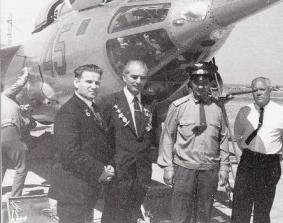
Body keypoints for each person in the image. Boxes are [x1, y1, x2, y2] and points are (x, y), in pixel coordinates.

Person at [157, 62, 230, 223]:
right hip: (184, 170)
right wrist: (168, 167)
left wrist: (224, 167)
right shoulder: (178, 106)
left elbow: (223, 139)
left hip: (209, 171)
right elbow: (168, 137)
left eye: (205, 83)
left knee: (203, 217)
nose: (201, 87)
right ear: (191, 83)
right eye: (197, 82)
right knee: (180, 216)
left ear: (210, 83)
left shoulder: (218, 108)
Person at [48, 64, 115, 223]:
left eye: (97, 83)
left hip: (85, 188)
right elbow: (70, 153)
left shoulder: (93, 108)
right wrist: (101, 170)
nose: (93, 86)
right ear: (76, 82)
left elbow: (99, 143)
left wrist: (110, 165)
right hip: (72, 191)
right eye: (88, 82)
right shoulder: (68, 112)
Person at [100, 60, 155, 223]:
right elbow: (102, 138)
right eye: (134, 77)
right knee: (113, 214)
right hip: (118, 171)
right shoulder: (109, 102)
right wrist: (107, 165)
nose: (138, 82)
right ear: (124, 77)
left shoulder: (151, 103)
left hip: (141, 173)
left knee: (133, 214)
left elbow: (152, 135)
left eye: (143, 78)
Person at [231, 77, 283, 223]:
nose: (258, 93)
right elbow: (237, 135)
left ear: (269, 90)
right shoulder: (245, 111)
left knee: (263, 209)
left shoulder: (281, 112)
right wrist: (247, 152)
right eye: (255, 90)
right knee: (240, 207)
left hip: (270, 164)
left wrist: (277, 155)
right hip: (248, 161)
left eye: (262, 89)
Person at [1, 67, 32, 197]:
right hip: (9, 132)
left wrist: (23, 110)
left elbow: (21, 121)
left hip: (3, 133)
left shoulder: (6, 102)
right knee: (21, 167)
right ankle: (15, 197)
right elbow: (17, 85)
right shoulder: (3, 95)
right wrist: (25, 74)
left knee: (1, 168)